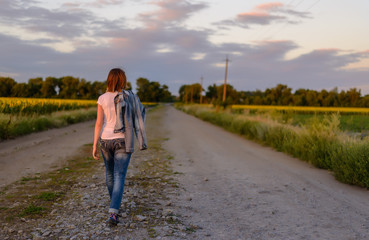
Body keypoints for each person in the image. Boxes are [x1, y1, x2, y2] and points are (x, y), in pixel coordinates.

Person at [93, 68, 147, 225]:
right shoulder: (129, 97)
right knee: (119, 176)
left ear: (109, 79)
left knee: (110, 174)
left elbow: (98, 123)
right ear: (123, 80)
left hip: (105, 140)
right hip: (123, 140)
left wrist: (94, 144)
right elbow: (139, 115)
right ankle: (113, 211)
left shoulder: (102, 98)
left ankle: (114, 205)